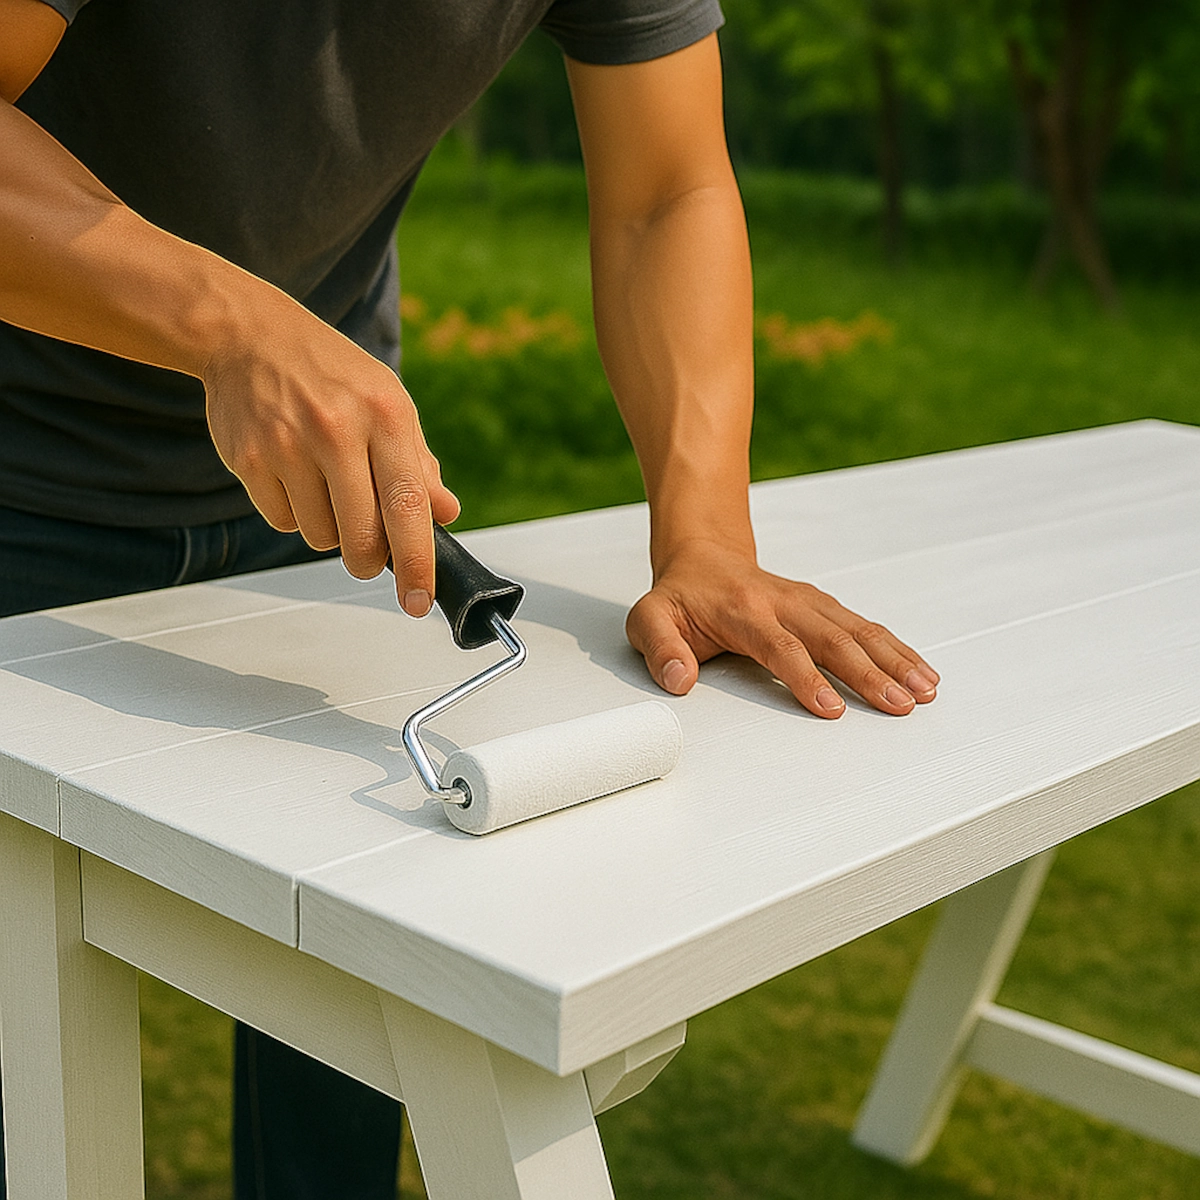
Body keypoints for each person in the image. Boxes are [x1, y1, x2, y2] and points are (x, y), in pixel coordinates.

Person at [0, 0, 939, 1195]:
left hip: (312, 502)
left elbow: (668, 189)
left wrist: (705, 534)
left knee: (348, 996)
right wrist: (227, 327)